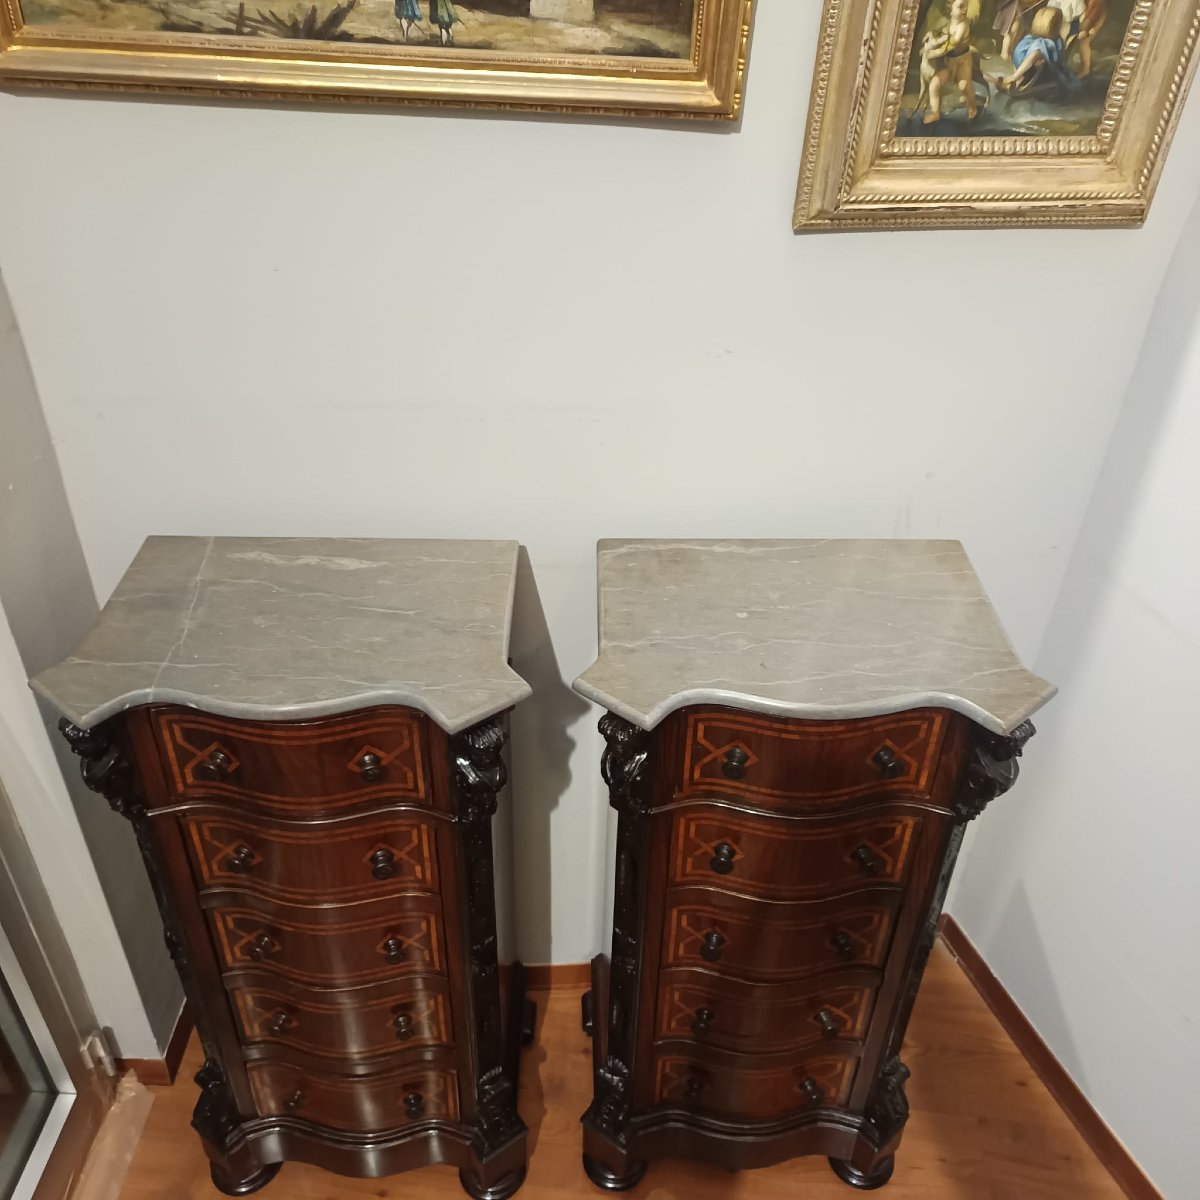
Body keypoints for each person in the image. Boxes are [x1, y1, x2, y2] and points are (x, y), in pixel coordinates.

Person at [996, 7, 1081, 94]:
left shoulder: (1051, 42)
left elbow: (1056, 59)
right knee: (1032, 47)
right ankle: (1018, 79)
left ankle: (1014, 77)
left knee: (1038, 48)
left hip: (1045, 68)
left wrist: (1042, 58)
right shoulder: (1030, 39)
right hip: (1030, 68)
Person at [921, 0, 980, 124]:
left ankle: (972, 106)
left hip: (963, 61)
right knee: (934, 85)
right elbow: (936, 33)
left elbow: (953, 43)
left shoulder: (963, 25)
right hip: (948, 63)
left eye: (965, 7)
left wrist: (935, 53)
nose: (964, 10)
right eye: (960, 7)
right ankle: (935, 113)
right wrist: (930, 35)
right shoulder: (946, 23)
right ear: (950, 8)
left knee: (964, 86)